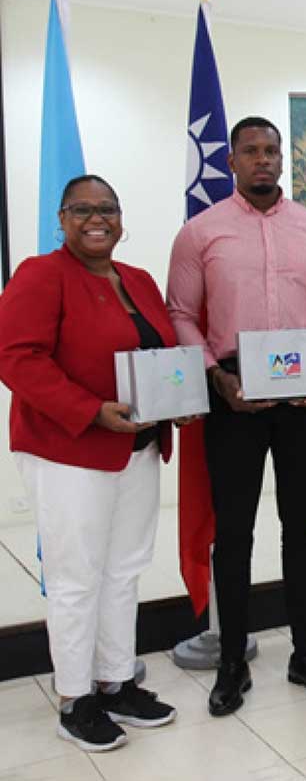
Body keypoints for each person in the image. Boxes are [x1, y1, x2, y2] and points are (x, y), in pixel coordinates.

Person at [167, 116, 306, 715]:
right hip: (235, 395)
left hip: (305, 399)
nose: (262, 160)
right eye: (250, 151)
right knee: (235, 533)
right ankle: (231, 661)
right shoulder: (200, 233)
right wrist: (216, 377)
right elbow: (181, 314)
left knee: (303, 528)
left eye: (271, 150)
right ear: (231, 162)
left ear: (283, 159)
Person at [0, 175, 181, 751]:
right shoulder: (40, 275)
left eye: (107, 209)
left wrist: (179, 400)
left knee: (125, 567)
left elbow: (163, 353)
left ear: (121, 218)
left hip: (138, 446)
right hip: (70, 450)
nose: (95, 219)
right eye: (82, 209)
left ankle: (115, 679)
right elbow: (16, 358)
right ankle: (76, 698)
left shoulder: (140, 280)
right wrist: (89, 410)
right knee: (77, 577)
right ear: (62, 217)